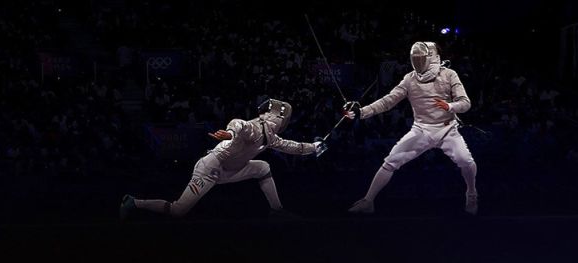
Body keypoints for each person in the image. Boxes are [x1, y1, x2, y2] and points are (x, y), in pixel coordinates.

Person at [120, 98, 325, 220]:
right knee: (178, 211)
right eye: (280, 117)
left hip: (231, 170)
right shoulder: (252, 128)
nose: (282, 120)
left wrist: (315, 147)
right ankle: (134, 203)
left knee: (263, 167)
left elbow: (293, 147)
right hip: (210, 168)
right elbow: (238, 124)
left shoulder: (270, 137)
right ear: (269, 117)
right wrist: (230, 134)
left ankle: (276, 210)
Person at [343, 42, 479, 215]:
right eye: (416, 57)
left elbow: (465, 103)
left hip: (447, 130)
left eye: (422, 56)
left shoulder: (449, 74)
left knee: (466, 160)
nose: (418, 60)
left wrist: (450, 107)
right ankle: (368, 201)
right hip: (421, 130)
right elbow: (388, 101)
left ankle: (472, 193)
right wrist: (361, 112)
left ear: (432, 56)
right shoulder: (409, 79)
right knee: (390, 161)